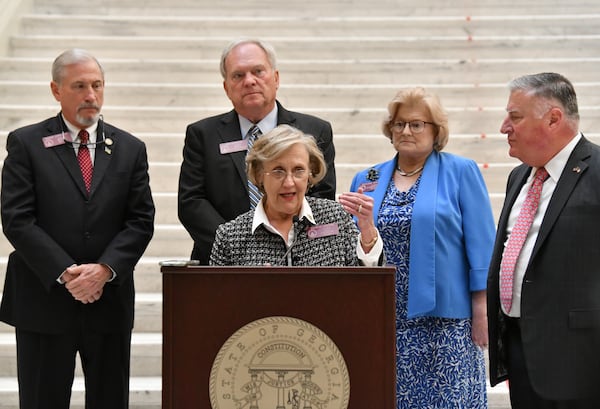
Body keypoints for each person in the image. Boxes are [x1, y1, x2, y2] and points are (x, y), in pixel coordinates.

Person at [0, 49, 155, 409]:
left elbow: (140, 220)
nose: (91, 95)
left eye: (97, 85)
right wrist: (66, 273)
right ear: (56, 90)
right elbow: (17, 218)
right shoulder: (26, 143)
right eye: (80, 86)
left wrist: (103, 270)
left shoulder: (130, 149)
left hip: (108, 300)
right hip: (44, 300)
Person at [348, 87, 495, 408]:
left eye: (417, 124)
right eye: (399, 124)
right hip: (388, 317)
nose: (406, 131)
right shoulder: (368, 177)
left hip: (446, 320)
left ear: (435, 131)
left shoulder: (460, 171)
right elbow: (356, 242)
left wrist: (482, 308)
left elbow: (482, 243)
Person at [487, 72, 600, 409]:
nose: (504, 127)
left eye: (515, 117)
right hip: (523, 353)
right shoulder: (519, 176)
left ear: (553, 118)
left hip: (583, 363)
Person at [178, 38, 336, 265]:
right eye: (238, 75)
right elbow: (192, 202)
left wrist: (282, 245)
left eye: (258, 71)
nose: (249, 81)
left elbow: (322, 196)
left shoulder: (315, 131)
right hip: (223, 266)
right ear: (226, 87)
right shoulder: (202, 135)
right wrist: (236, 248)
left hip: (297, 261)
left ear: (276, 78)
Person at [210, 124, 382, 267]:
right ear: (260, 174)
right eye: (278, 171)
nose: (289, 183)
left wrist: (367, 234)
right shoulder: (230, 237)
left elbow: (365, 286)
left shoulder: (336, 217)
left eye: (299, 170)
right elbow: (217, 302)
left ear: (310, 174)